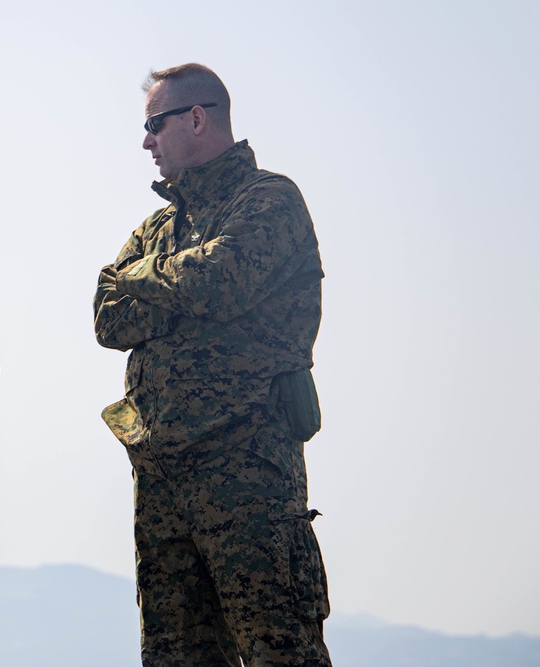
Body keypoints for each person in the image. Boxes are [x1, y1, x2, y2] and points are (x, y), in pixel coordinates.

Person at [93, 64, 332, 666]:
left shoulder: (270, 201)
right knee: (176, 657)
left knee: (281, 652)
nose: (145, 141)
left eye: (154, 124)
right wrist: (181, 294)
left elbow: (217, 284)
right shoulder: (158, 226)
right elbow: (107, 317)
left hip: (248, 472)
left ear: (196, 118)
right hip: (164, 477)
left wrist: (148, 282)